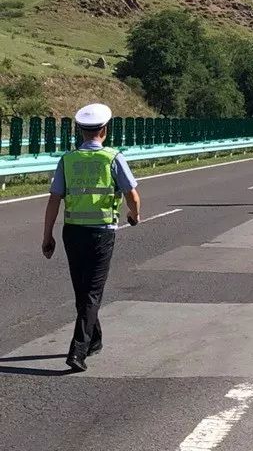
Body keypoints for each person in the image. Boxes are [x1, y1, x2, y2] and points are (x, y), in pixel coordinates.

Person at [41, 103, 141, 372]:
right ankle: (78, 351)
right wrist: (134, 215)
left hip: (72, 231)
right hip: (101, 232)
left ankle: (93, 339)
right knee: (92, 293)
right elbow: (132, 194)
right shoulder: (113, 158)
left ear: (80, 132)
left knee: (82, 292)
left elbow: (54, 200)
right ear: (104, 131)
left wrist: (47, 234)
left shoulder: (68, 159)